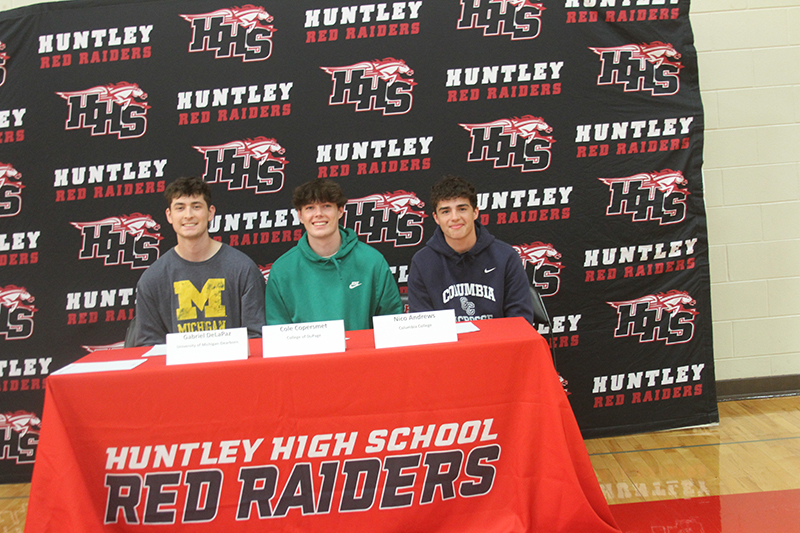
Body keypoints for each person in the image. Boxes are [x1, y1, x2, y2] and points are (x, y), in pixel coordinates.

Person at [134, 177, 266, 345]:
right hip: (178, 371)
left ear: (210, 212)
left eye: (196, 207)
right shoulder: (152, 279)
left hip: (230, 369)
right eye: (180, 208)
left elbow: (256, 337)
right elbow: (148, 345)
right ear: (169, 215)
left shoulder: (242, 269)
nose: (188, 215)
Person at [264, 179, 402, 330]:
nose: (318, 214)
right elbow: (278, 334)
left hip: (360, 354)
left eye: (326, 206)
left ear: (340, 211)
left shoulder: (372, 262)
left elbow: (392, 326)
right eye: (310, 208)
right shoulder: (282, 270)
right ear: (300, 215)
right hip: (307, 354)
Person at [408, 175, 534, 323]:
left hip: (497, 345)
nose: (454, 217)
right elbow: (423, 326)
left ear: (475, 212)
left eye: (462, 209)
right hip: (448, 346)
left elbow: (520, 321)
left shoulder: (506, 257)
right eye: (445, 211)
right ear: (436, 218)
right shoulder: (422, 262)